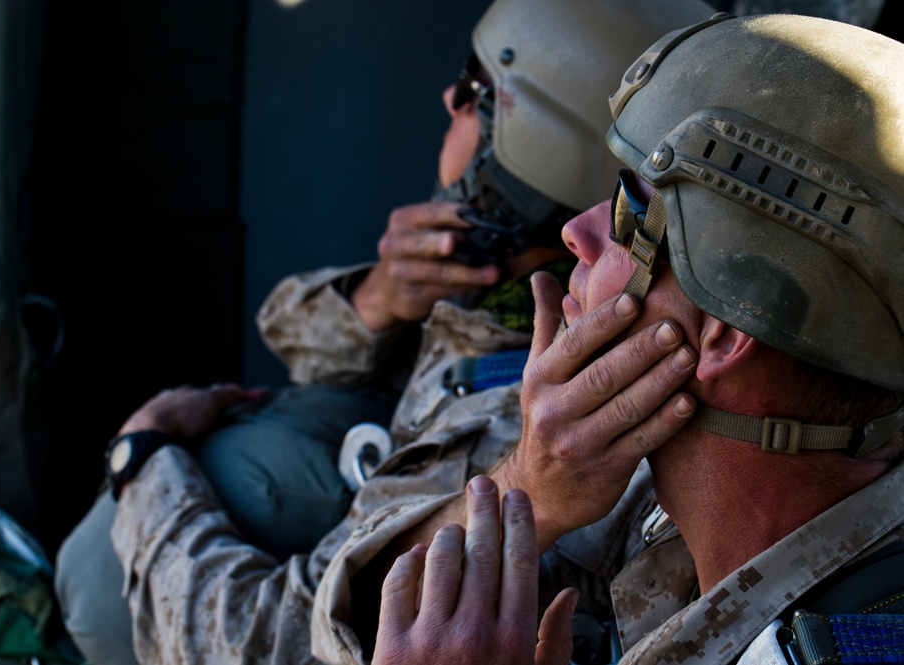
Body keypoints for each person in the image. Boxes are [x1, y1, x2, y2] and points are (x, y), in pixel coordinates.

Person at [53, 0, 716, 663]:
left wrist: (142, 460)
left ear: (528, 150)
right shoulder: (499, 290)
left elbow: (259, 644)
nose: (447, 98)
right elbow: (289, 339)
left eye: (473, 89)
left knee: (100, 563)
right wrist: (379, 297)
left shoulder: (501, 429)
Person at [370, 11, 904, 665]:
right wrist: (537, 482)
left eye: (631, 210)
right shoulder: (686, 501)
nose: (579, 232)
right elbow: (365, 595)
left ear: (723, 329)